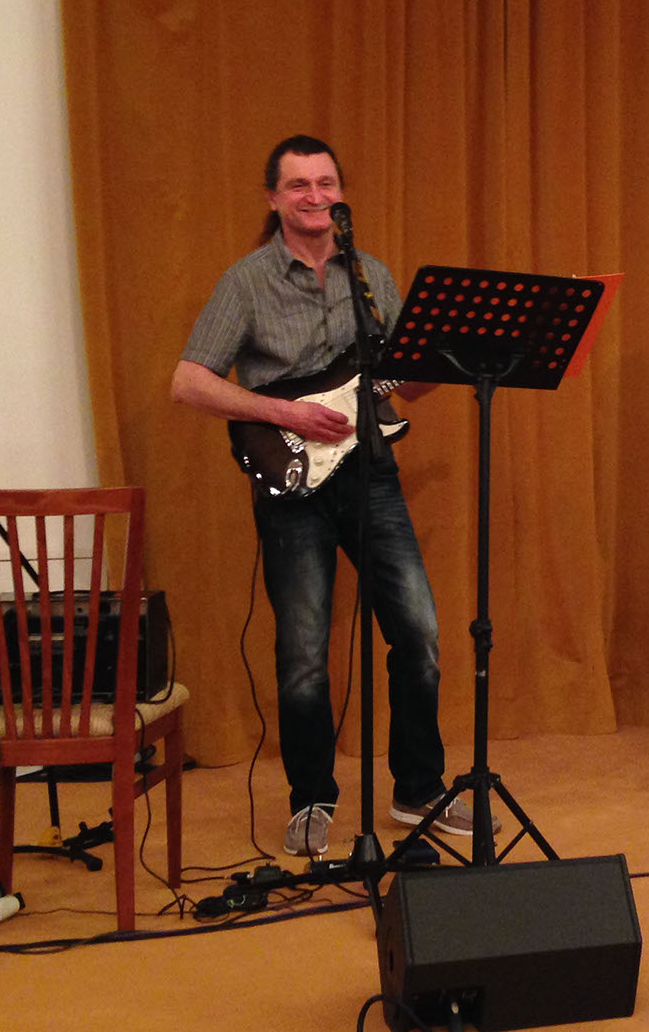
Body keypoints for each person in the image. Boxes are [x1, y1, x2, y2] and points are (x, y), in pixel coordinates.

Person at [171, 135, 456, 857]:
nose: (314, 196)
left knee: (418, 634)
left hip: (371, 472)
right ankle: (312, 798)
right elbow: (189, 381)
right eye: (298, 185)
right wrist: (284, 412)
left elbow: (408, 380)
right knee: (303, 651)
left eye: (325, 183)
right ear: (273, 199)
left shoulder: (370, 275)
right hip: (292, 481)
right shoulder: (246, 282)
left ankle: (417, 788)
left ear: (341, 193)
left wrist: (448, 358)